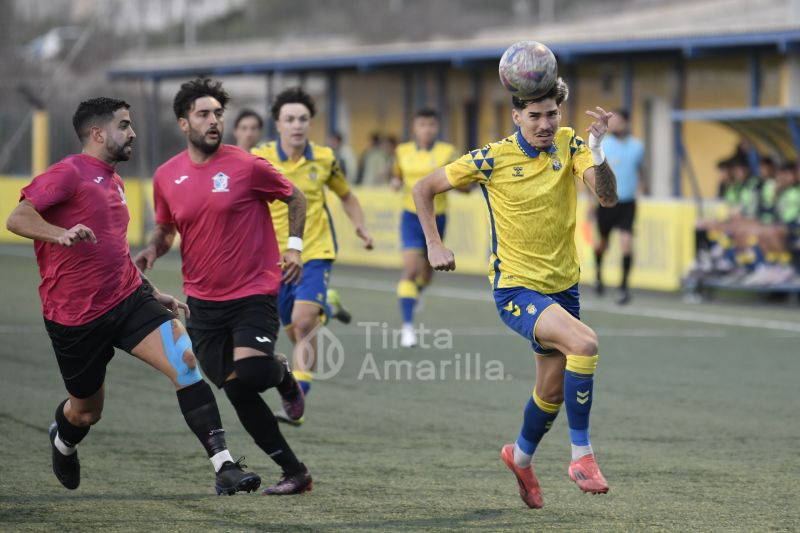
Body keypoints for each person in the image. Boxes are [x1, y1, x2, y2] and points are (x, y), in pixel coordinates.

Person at [6, 97, 260, 495]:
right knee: (87, 412)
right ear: (97, 133)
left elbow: (115, 251)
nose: (133, 133)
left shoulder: (114, 181)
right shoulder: (68, 173)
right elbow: (17, 217)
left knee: (185, 360)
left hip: (127, 301)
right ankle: (64, 440)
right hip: (75, 318)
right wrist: (61, 234)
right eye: (124, 125)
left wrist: (152, 291)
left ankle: (224, 466)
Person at [414, 78, 617, 509]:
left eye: (552, 114)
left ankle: (520, 459)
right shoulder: (491, 157)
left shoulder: (570, 143)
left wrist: (597, 148)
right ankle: (581, 456)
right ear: (516, 116)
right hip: (516, 288)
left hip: (564, 287)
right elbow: (424, 187)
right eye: (535, 116)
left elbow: (608, 198)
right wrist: (433, 242)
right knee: (585, 343)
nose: (545, 124)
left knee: (552, 392)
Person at [134, 79, 312, 495]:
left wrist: (295, 250)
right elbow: (166, 227)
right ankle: (295, 472)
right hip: (202, 304)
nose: (214, 121)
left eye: (218, 114)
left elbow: (297, 198)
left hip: (253, 291)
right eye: (203, 114)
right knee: (238, 391)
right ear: (183, 123)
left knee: (252, 372)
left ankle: (284, 375)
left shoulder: (247, 166)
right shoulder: (166, 175)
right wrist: (154, 250)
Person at [252, 87, 373, 424]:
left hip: (314, 252)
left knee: (304, 325)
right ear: (277, 124)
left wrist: (360, 226)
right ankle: (328, 307)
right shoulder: (259, 157)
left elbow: (346, 196)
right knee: (295, 332)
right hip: (271, 258)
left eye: (303, 119)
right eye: (289, 119)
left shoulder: (324, 159)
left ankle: (298, 403)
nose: (297, 125)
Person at [390, 108, 459, 347]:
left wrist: (465, 184)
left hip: (437, 218)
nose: (426, 129)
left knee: (427, 273)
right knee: (409, 270)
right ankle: (407, 327)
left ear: (436, 127)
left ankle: (416, 292)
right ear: (415, 127)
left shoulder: (447, 152)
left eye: (431, 125)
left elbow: (460, 180)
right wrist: (396, 182)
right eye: (422, 125)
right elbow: (397, 175)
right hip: (411, 217)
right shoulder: (402, 152)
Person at [592, 108, 644, 305]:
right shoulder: (603, 145)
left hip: (627, 203)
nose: (615, 125)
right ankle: (598, 276)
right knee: (602, 243)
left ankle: (623, 287)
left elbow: (640, 171)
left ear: (627, 123)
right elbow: (595, 173)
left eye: (619, 121)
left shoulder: (638, 147)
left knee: (626, 243)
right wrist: (591, 200)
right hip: (606, 202)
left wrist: (640, 188)